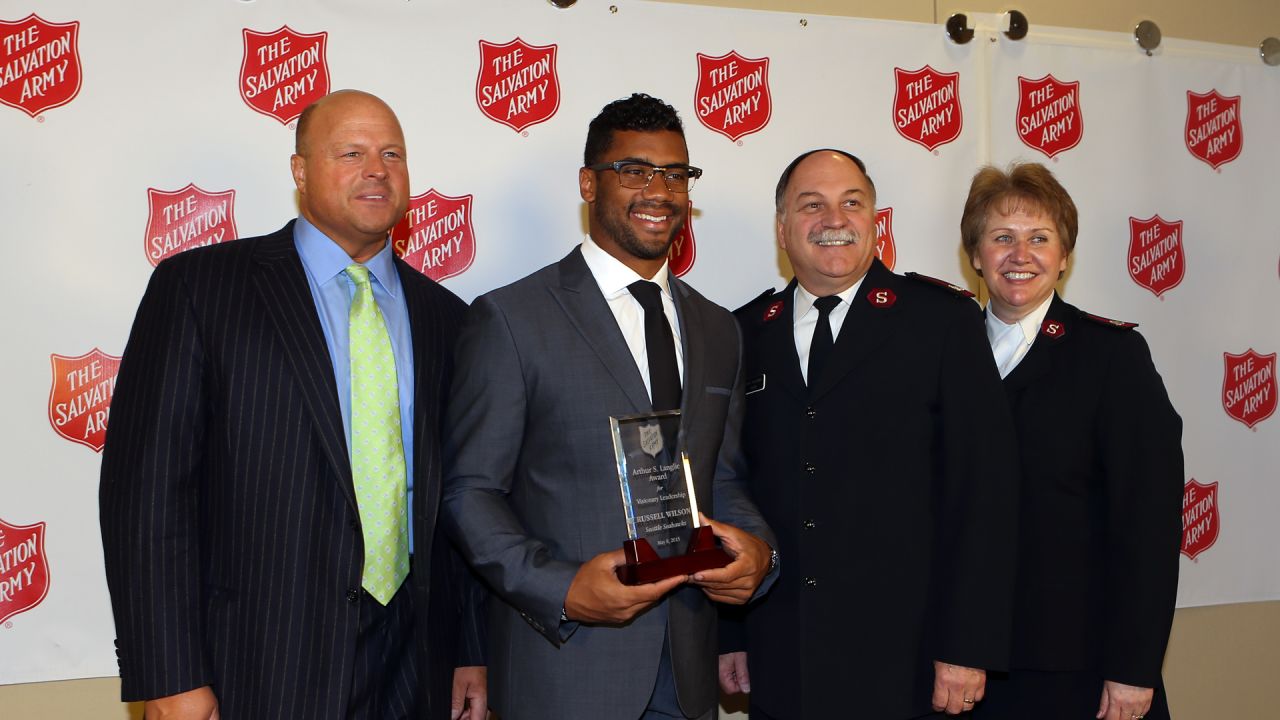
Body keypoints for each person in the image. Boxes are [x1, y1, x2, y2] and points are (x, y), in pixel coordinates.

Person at [100, 90, 486, 720]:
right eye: (352, 153)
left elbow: (464, 499)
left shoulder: (450, 319)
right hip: (257, 662)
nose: (378, 170)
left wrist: (473, 648)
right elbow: (146, 495)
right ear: (300, 170)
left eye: (393, 154)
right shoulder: (201, 288)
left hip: (417, 661)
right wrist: (168, 674)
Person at [442, 93, 777, 720]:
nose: (660, 190)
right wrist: (562, 589)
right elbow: (469, 492)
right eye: (636, 171)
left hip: (689, 678)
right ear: (589, 184)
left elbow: (722, 479)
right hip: (564, 672)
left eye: (676, 174)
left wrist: (761, 551)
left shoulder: (716, 329)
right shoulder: (512, 319)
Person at [720, 149, 1021, 719]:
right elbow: (732, 489)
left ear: (875, 221)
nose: (835, 219)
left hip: (908, 662)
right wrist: (729, 633)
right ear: (783, 229)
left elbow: (984, 496)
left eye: (851, 203)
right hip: (783, 658)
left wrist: (966, 646)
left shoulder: (941, 322)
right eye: (812, 205)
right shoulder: (743, 332)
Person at [961, 162, 1183, 720]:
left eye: (1040, 238)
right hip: (962, 660)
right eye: (1001, 238)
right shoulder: (940, 354)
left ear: (1064, 256)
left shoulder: (1111, 358)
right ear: (975, 256)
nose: (1020, 255)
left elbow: (1148, 526)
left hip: (1076, 668)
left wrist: (1133, 668)